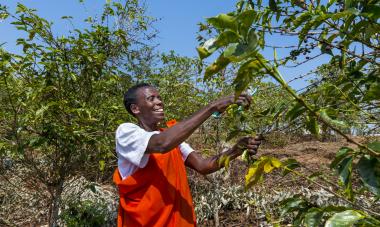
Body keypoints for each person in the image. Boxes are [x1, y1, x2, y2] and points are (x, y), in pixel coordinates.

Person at [113, 83, 262, 227]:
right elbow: (161, 144)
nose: (159, 102)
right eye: (151, 99)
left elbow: (203, 166)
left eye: (159, 98)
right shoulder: (127, 132)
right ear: (135, 108)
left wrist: (236, 149)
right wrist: (213, 107)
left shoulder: (171, 137)